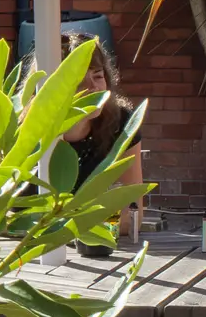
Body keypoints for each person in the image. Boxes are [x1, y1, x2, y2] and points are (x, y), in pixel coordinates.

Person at [60, 35, 144, 232]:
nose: (93, 88)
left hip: (96, 248)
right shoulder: (26, 128)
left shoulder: (121, 122)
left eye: (98, 76)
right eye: (79, 79)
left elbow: (133, 213)